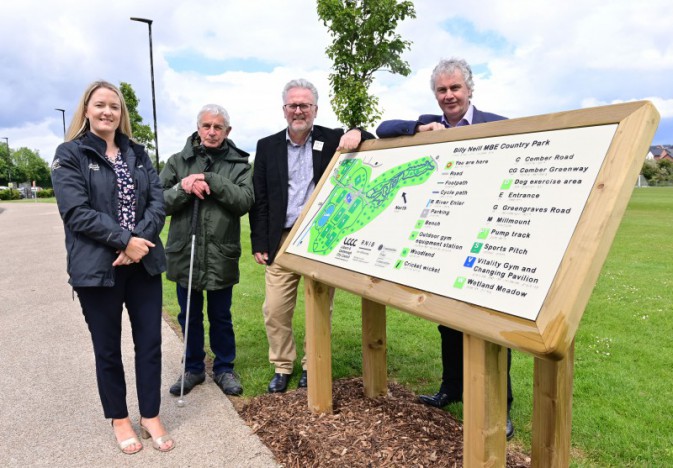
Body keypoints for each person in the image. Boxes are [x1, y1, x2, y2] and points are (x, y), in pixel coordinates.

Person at [376, 58, 515, 440]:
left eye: (455, 88)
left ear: (470, 89)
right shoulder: (429, 124)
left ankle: (501, 407)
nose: (449, 95)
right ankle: (451, 387)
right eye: (442, 90)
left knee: (491, 328)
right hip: (444, 237)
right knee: (448, 321)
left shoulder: (498, 125)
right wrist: (419, 128)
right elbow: (383, 129)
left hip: (486, 238)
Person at [51, 80, 173, 454]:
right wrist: (124, 241)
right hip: (98, 269)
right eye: (100, 105)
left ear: (122, 114)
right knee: (107, 348)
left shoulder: (137, 153)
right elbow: (75, 212)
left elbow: (158, 201)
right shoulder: (69, 153)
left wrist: (137, 244)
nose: (107, 112)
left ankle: (150, 414)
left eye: (114, 107)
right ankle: (120, 418)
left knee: (150, 343)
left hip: (142, 265)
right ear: (86, 109)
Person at [249, 78, 374, 393]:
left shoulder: (331, 139)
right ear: (284, 110)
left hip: (320, 239)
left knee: (319, 307)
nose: (298, 110)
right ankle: (282, 365)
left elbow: (367, 137)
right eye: (293, 105)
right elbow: (259, 198)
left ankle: (311, 364)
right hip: (281, 240)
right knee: (275, 309)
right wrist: (259, 242)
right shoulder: (267, 146)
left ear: (315, 109)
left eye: (305, 105)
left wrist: (357, 131)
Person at [160, 104, 253, 398]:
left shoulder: (240, 165)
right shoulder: (177, 162)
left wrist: (210, 180)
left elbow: (243, 201)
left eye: (218, 127)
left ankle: (224, 368)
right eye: (206, 126)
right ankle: (193, 368)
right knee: (189, 314)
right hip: (185, 251)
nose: (212, 132)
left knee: (220, 315)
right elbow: (158, 202)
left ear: (228, 131)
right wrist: (184, 187)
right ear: (198, 129)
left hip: (219, 253)